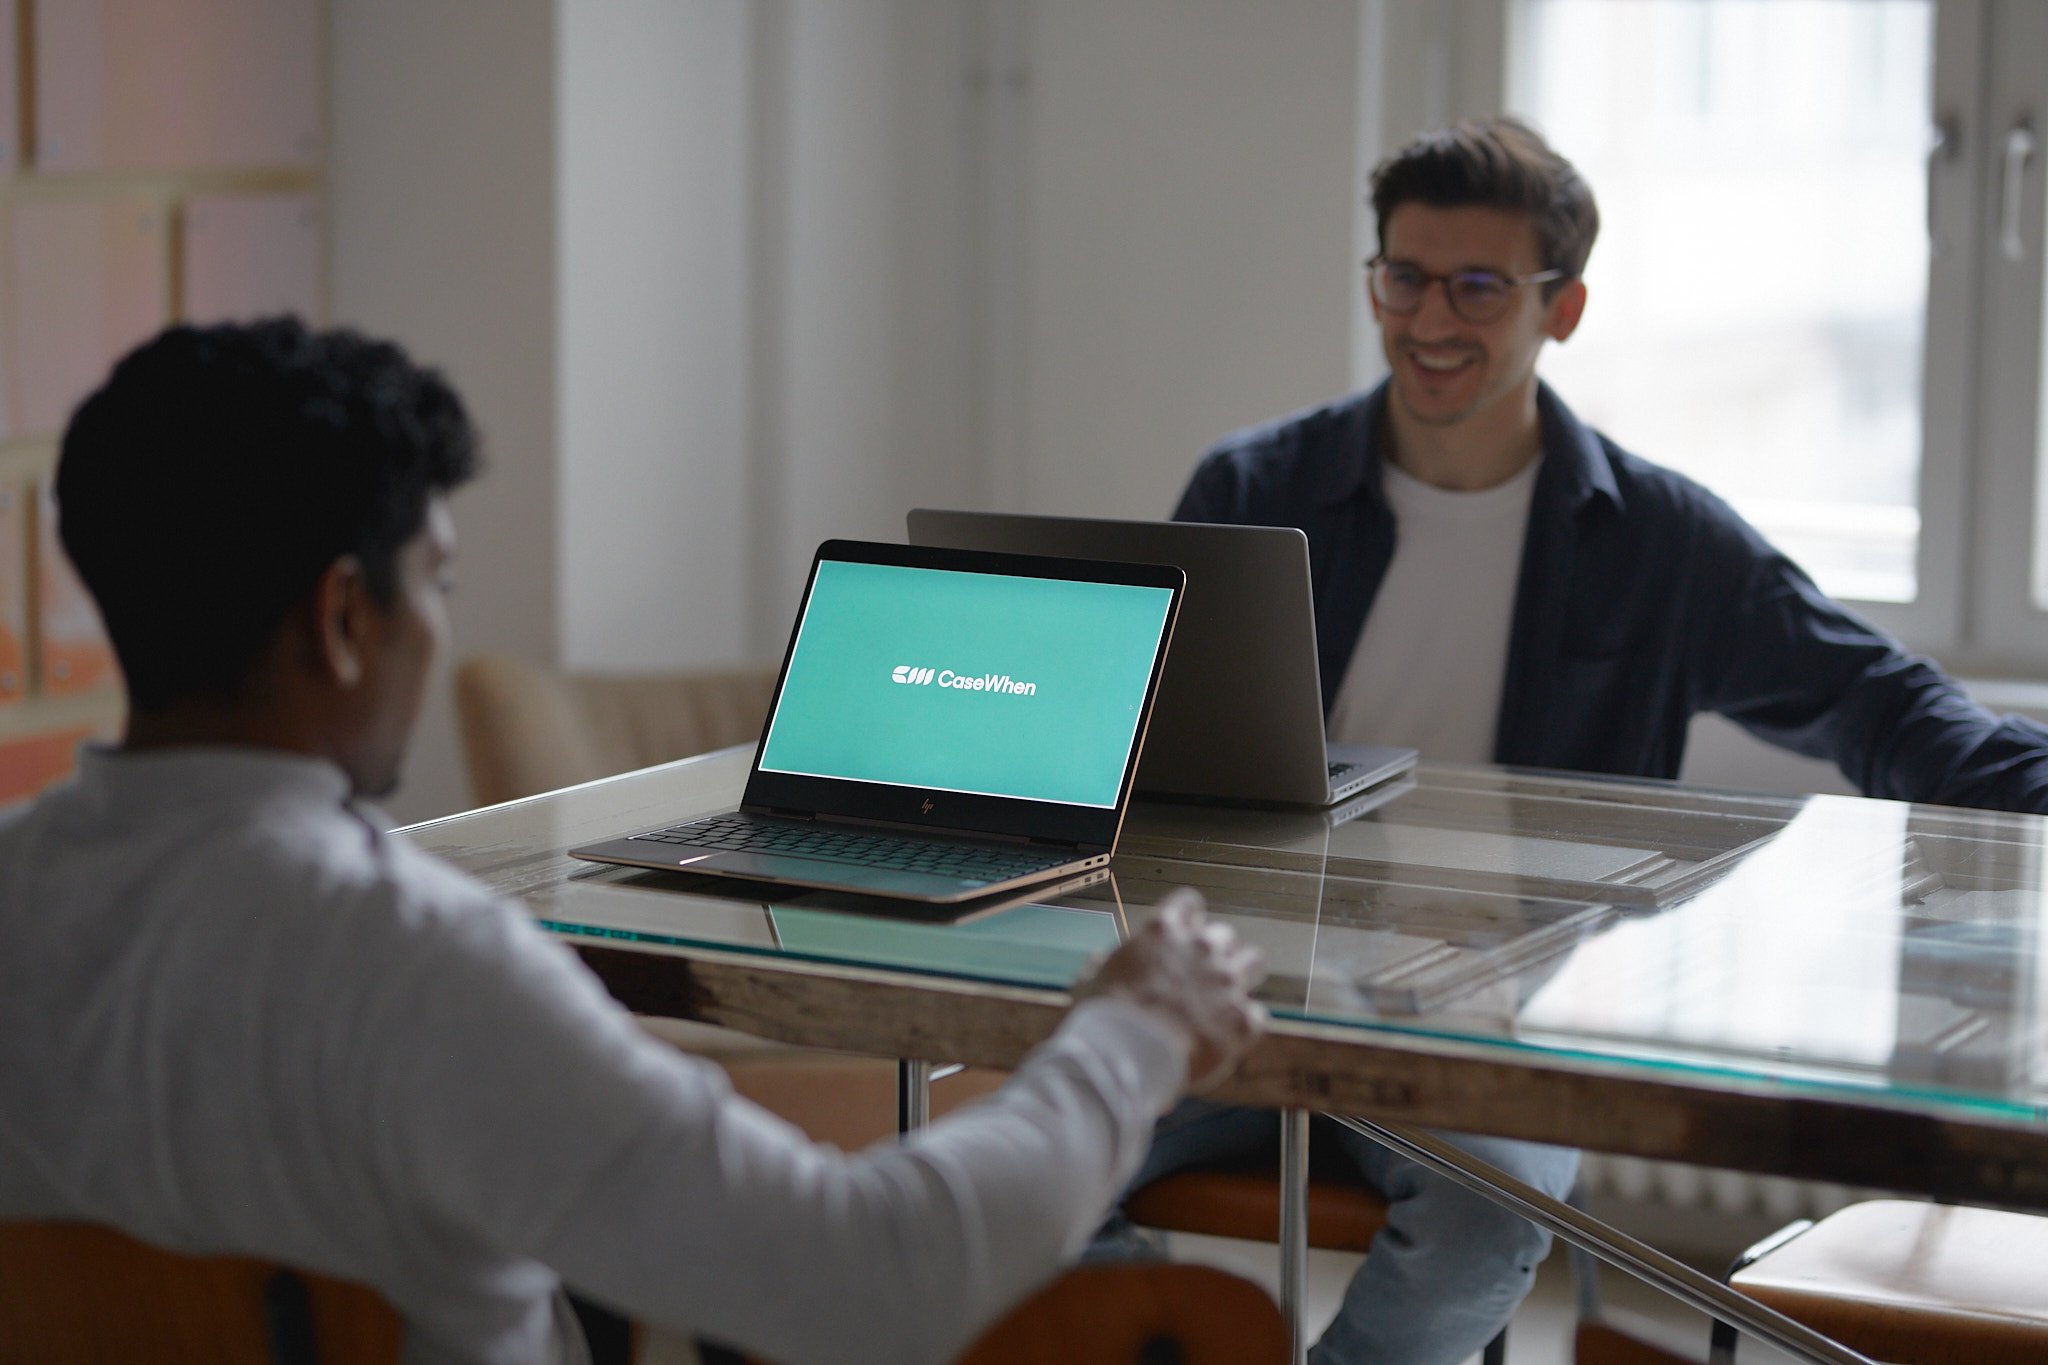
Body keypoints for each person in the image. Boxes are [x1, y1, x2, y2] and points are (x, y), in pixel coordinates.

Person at [0, 318, 1268, 1365]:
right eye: (434, 581)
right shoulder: (415, 963)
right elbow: (876, 1283)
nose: (440, 626)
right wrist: (1132, 1030)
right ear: (344, 616)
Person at [1158, 118, 2048, 1365]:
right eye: (1402, 278)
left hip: (1482, 1020)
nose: (1428, 320)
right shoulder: (1248, 492)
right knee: (1011, 1165)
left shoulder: (1659, 544)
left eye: (1477, 286)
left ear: (1561, 307)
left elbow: (1883, 705)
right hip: (1233, 984)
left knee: (1479, 1230)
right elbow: (1139, 746)